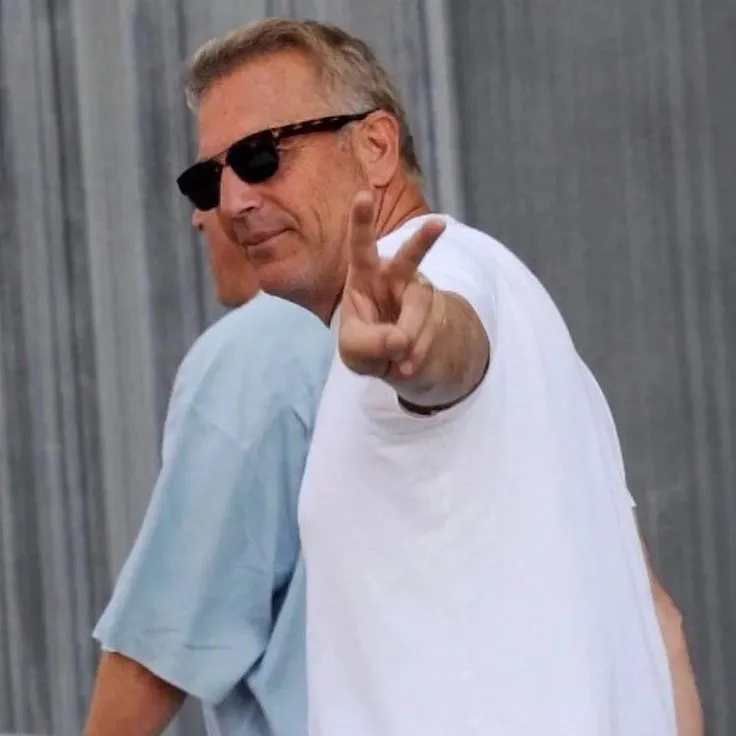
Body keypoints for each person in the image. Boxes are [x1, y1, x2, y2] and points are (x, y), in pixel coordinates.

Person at [179, 18, 704, 735]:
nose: (234, 202)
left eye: (261, 156)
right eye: (210, 178)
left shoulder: (437, 278)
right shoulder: (526, 313)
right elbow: (661, 624)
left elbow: (444, 352)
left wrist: (413, 345)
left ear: (375, 146)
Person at [85, 217, 702, 736]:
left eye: (243, 168)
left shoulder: (253, 359)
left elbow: (153, 658)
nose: (207, 212)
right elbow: (660, 623)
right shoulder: (537, 337)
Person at [84, 209, 334, 736]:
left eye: (210, 183)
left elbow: (160, 644)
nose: (199, 217)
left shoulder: (260, 351)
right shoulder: (471, 292)